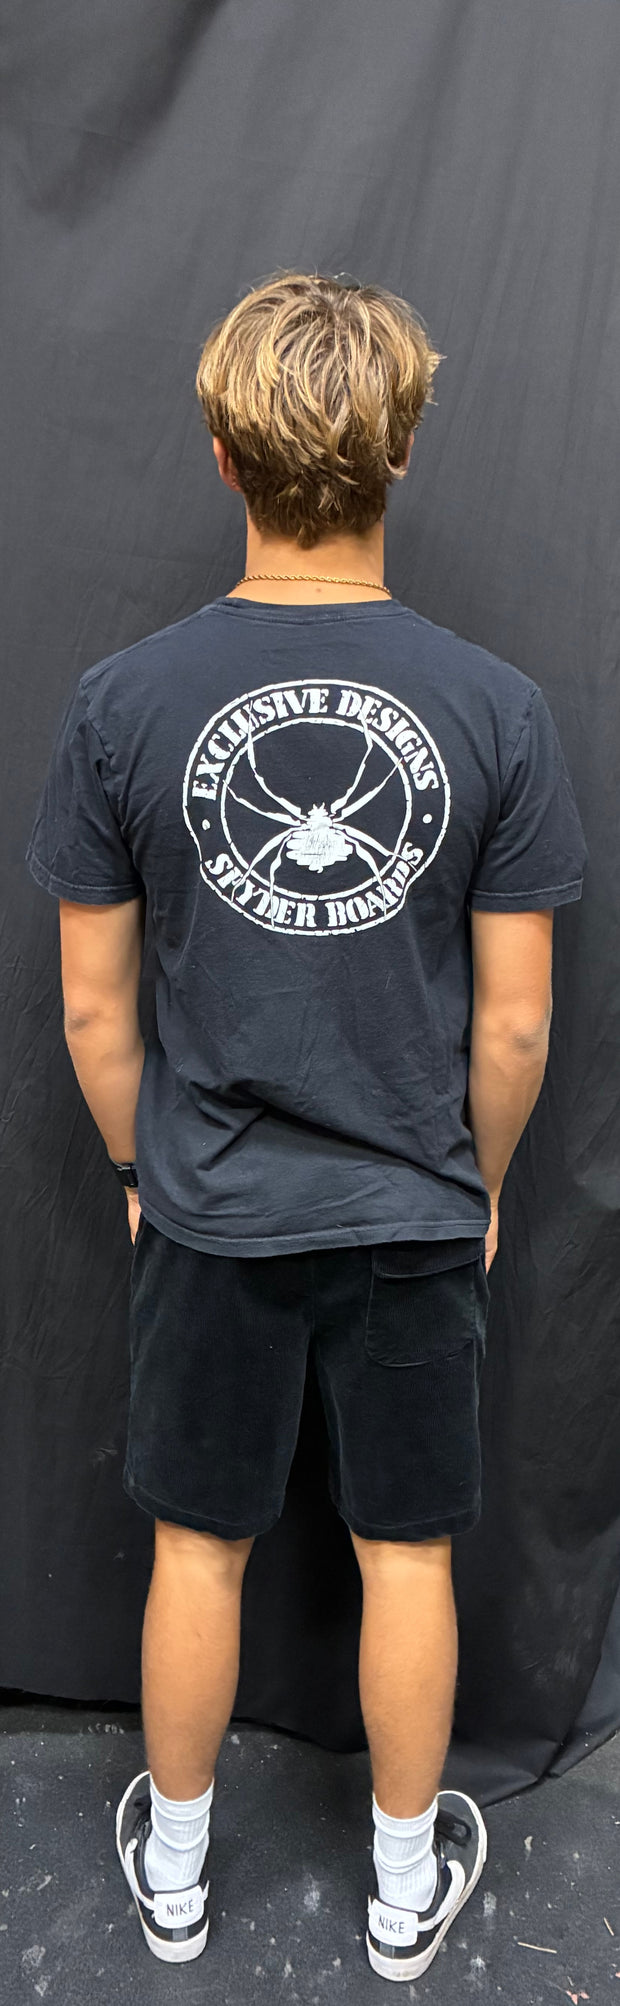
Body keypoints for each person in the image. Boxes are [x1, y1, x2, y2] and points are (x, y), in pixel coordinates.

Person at [25, 269, 587, 1981]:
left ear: (221, 454)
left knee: (197, 1547)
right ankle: (407, 1894)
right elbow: (515, 1020)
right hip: (413, 1209)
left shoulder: (124, 703)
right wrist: (476, 1180)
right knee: (407, 1553)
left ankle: (176, 1877)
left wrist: (145, 1168)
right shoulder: (494, 710)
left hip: (211, 1205)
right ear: (400, 449)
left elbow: (95, 1012)